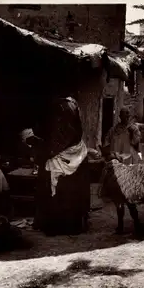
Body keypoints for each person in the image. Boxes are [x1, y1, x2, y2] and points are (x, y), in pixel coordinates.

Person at [22, 96, 90, 236]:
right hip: (70, 162)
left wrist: (37, 146)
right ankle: (59, 224)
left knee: (59, 191)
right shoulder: (66, 129)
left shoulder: (69, 131)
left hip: (66, 166)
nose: (59, 118)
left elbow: (54, 149)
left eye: (62, 115)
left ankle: (59, 226)